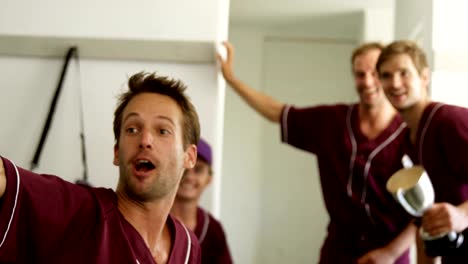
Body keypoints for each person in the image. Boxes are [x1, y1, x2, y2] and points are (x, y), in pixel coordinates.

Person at [217, 41, 417, 263]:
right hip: (339, 251)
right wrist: (231, 79)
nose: (368, 81)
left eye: (375, 73)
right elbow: (277, 111)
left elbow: (424, 210)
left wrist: (390, 253)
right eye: (360, 74)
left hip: (391, 254)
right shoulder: (333, 121)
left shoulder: (410, 132)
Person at [0, 72, 202, 263]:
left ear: (189, 156)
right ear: (116, 152)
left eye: (162, 131)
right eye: (132, 129)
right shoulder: (78, 211)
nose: (145, 140)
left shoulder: (188, 247)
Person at [377, 40, 468, 263]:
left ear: (424, 77)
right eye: (386, 75)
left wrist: (463, 214)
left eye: (404, 73)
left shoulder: (450, 120)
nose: (395, 83)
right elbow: (424, 225)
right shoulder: (406, 143)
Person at [171, 138, 233, 264]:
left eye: (198, 169)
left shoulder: (213, 229)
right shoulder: (153, 220)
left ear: (209, 179)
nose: (189, 176)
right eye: (185, 168)